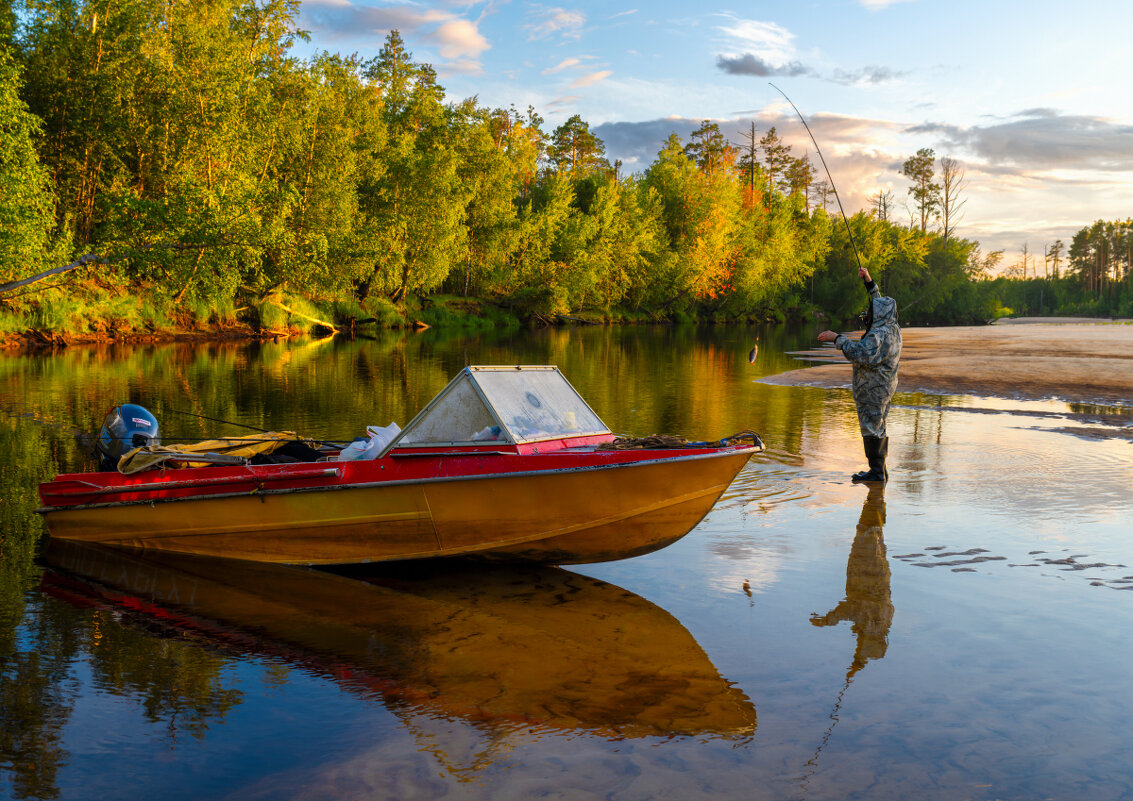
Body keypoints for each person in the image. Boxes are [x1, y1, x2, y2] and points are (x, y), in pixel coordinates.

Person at [817, 266, 901, 482]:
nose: (869, 314)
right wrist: (869, 283)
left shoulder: (879, 335)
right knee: (879, 425)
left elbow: (860, 354)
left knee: (871, 427)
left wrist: (837, 338)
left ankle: (876, 472)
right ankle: (880, 470)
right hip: (885, 386)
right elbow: (880, 303)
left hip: (873, 389)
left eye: (871, 313)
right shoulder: (892, 326)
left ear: (879, 315)